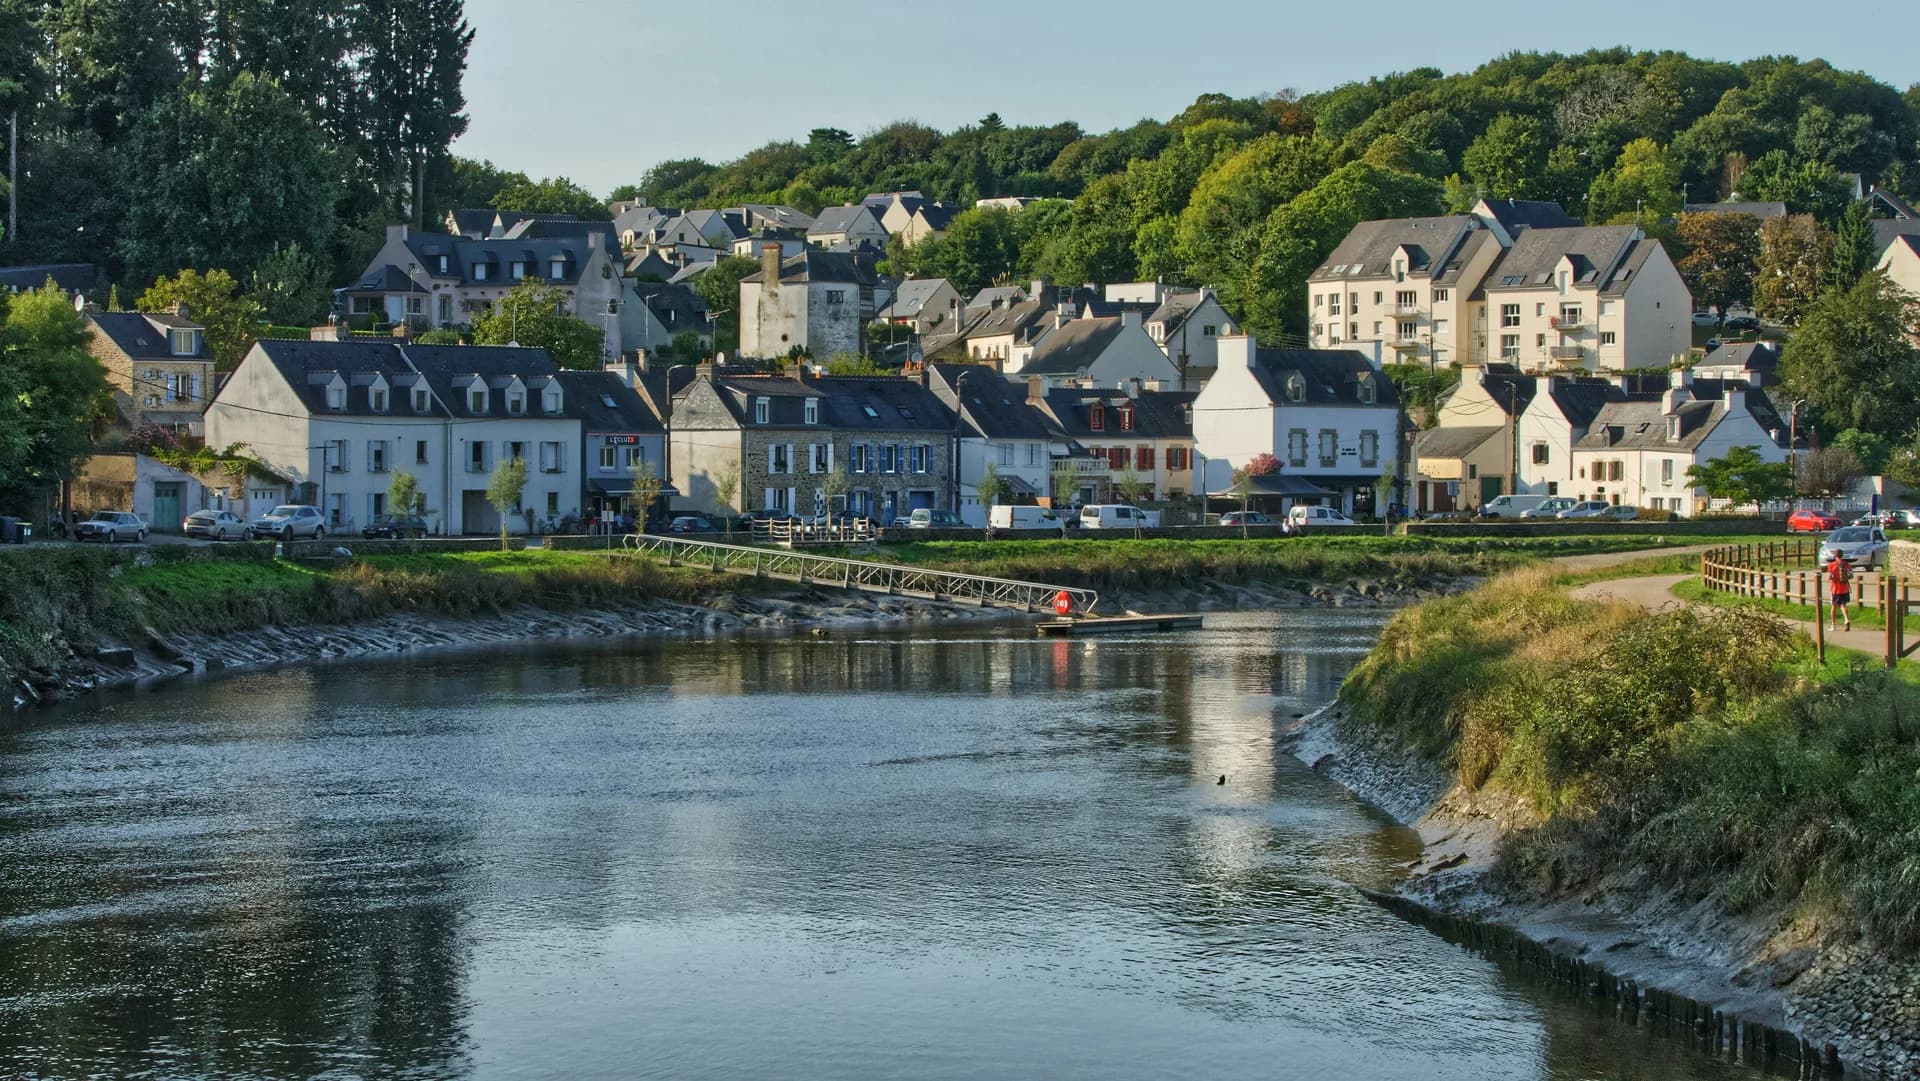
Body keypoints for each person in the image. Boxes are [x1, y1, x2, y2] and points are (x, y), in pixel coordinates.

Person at [1827, 551, 1854, 630]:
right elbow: (1851, 576)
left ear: (1835, 556)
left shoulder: (1831, 565)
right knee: (1843, 606)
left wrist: (1835, 578)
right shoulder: (1847, 565)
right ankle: (1846, 619)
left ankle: (1833, 625)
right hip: (1845, 588)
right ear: (1842, 555)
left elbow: (1829, 577)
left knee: (1833, 606)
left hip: (1835, 589)